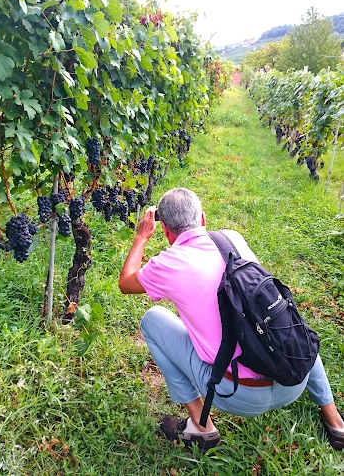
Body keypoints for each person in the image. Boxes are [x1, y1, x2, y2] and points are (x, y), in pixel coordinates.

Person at [118, 187, 344, 452]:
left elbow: (125, 283)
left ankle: (202, 427)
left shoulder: (167, 264)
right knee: (287, 323)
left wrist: (142, 236)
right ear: (203, 218)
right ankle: (336, 422)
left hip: (238, 395)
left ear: (165, 231)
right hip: (293, 377)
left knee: (153, 319)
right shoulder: (232, 239)